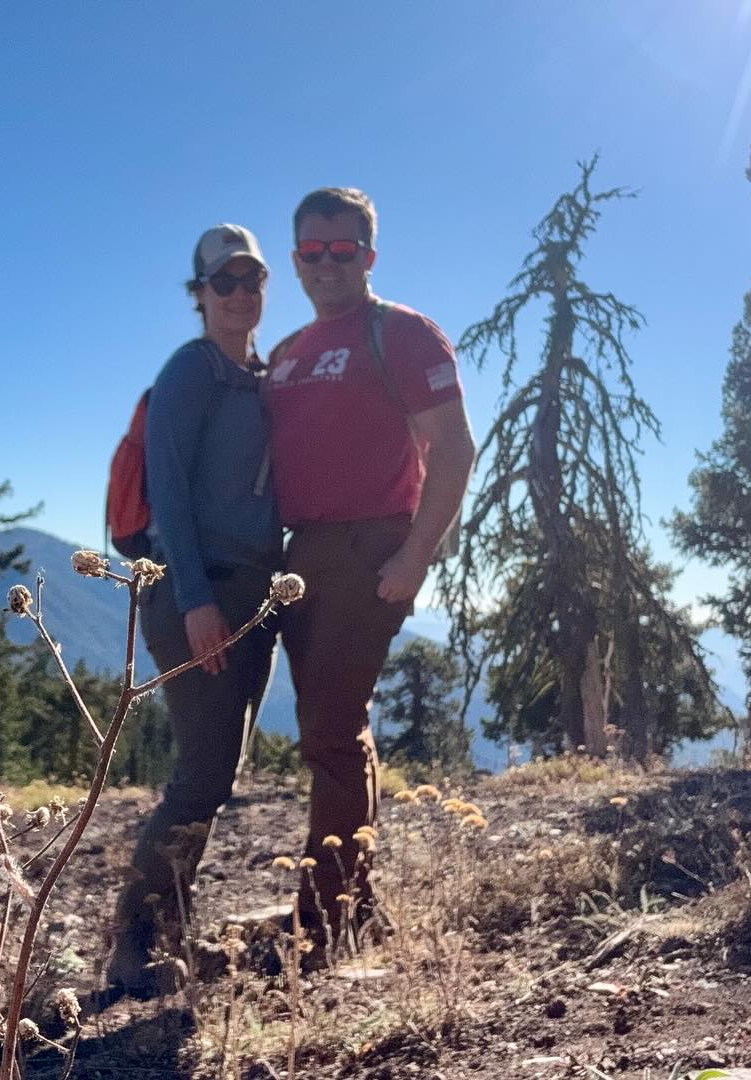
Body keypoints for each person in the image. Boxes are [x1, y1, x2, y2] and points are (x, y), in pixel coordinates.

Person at [263, 187, 475, 938]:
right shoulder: (288, 352)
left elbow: (452, 448)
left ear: (368, 255)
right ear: (295, 260)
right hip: (299, 553)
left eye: (342, 250)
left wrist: (415, 557)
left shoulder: (404, 334)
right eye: (313, 253)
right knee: (333, 725)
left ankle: (328, 918)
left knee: (327, 725)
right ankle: (350, 900)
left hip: (369, 547)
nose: (327, 264)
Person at [107, 224, 284, 998]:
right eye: (224, 282)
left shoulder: (259, 376)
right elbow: (170, 492)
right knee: (201, 775)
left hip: (252, 588)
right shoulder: (193, 370)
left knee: (217, 772)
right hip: (199, 589)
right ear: (199, 294)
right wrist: (195, 600)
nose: (240, 293)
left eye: (252, 279)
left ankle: (167, 934)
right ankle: (135, 943)